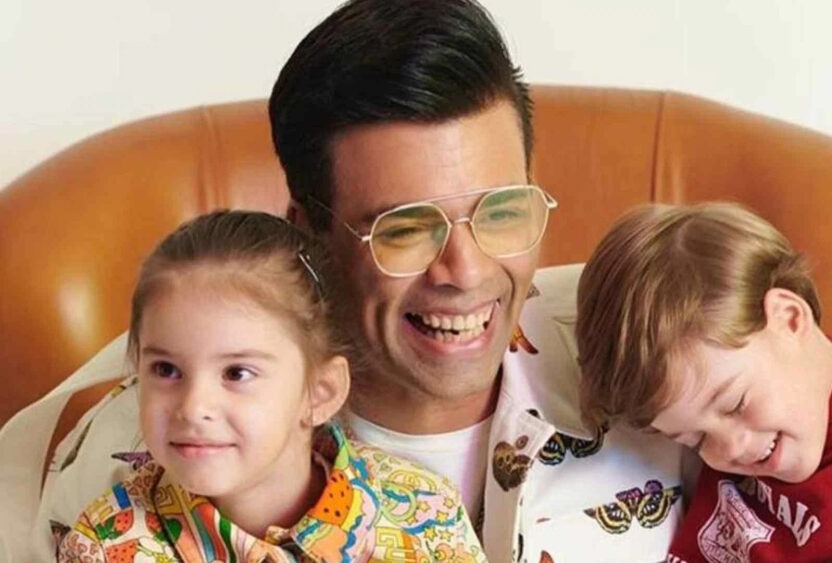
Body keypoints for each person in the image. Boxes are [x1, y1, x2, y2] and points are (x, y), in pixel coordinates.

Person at [28, 1, 690, 561]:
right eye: (405, 229)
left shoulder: (658, 341)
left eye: (502, 212)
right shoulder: (143, 449)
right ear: (310, 234)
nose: (466, 272)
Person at [576, 202, 832, 562]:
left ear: (789, 318)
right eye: (695, 439)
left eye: (736, 404)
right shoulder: (737, 411)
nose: (728, 449)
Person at [56, 210, 485, 562]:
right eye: (167, 370)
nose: (193, 406)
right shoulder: (106, 545)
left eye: (237, 373)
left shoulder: (425, 512)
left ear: (320, 393)